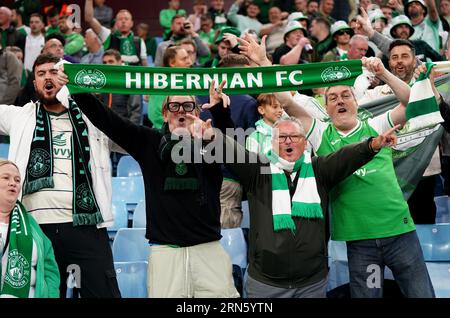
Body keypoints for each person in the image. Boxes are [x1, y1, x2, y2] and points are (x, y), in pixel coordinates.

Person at [239, 34, 434, 297]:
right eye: (333, 98)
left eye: (346, 95)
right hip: (360, 241)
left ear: (356, 101)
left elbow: (410, 102)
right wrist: (263, 61)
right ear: (326, 107)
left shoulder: (374, 125)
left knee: (421, 294)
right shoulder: (320, 134)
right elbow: (285, 101)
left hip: (400, 232)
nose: (340, 100)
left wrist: (383, 72)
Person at [59, 71, 239, 298]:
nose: (181, 111)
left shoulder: (211, 142)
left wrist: (220, 114)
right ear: (164, 114)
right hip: (165, 253)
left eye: (187, 106)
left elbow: (236, 152)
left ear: (196, 111)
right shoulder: (149, 142)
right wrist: (77, 88)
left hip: (209, 249)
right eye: (174, 106)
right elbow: (109, 121)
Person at [196, 102, 399, 298]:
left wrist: (372, 145)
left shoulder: (319, 169)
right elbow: (234, 152)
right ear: (272, 142)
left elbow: (345, 157)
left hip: (311, 283)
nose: (288, 141)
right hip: (266, 283)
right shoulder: (257, 170)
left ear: (305, 142)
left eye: (294, 136)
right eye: (282, 137)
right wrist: (212, 136)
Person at [0, 53, 121, 298]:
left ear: (66, 78)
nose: (48, 78)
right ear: (34, 83)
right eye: (41, 74)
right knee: (45, 293)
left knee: (102, 293)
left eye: (54, 72)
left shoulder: (93, 118)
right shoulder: (20, 116)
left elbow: (131, 140)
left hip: (86, 226)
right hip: (35, 229)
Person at [0, 159, 60, 298]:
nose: (13, 183)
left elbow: (50, 268)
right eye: (5, 178)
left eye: (17, 179)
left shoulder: (30, 223)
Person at [85, 0, 148, 66]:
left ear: (131, 23)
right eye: (120, 19)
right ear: (116, 23)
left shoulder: (139, 41)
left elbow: (144, 64)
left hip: (133, 76)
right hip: (113, 75)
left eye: (126, 19)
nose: (123, 21)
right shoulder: (107, 36)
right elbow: (89, 19)